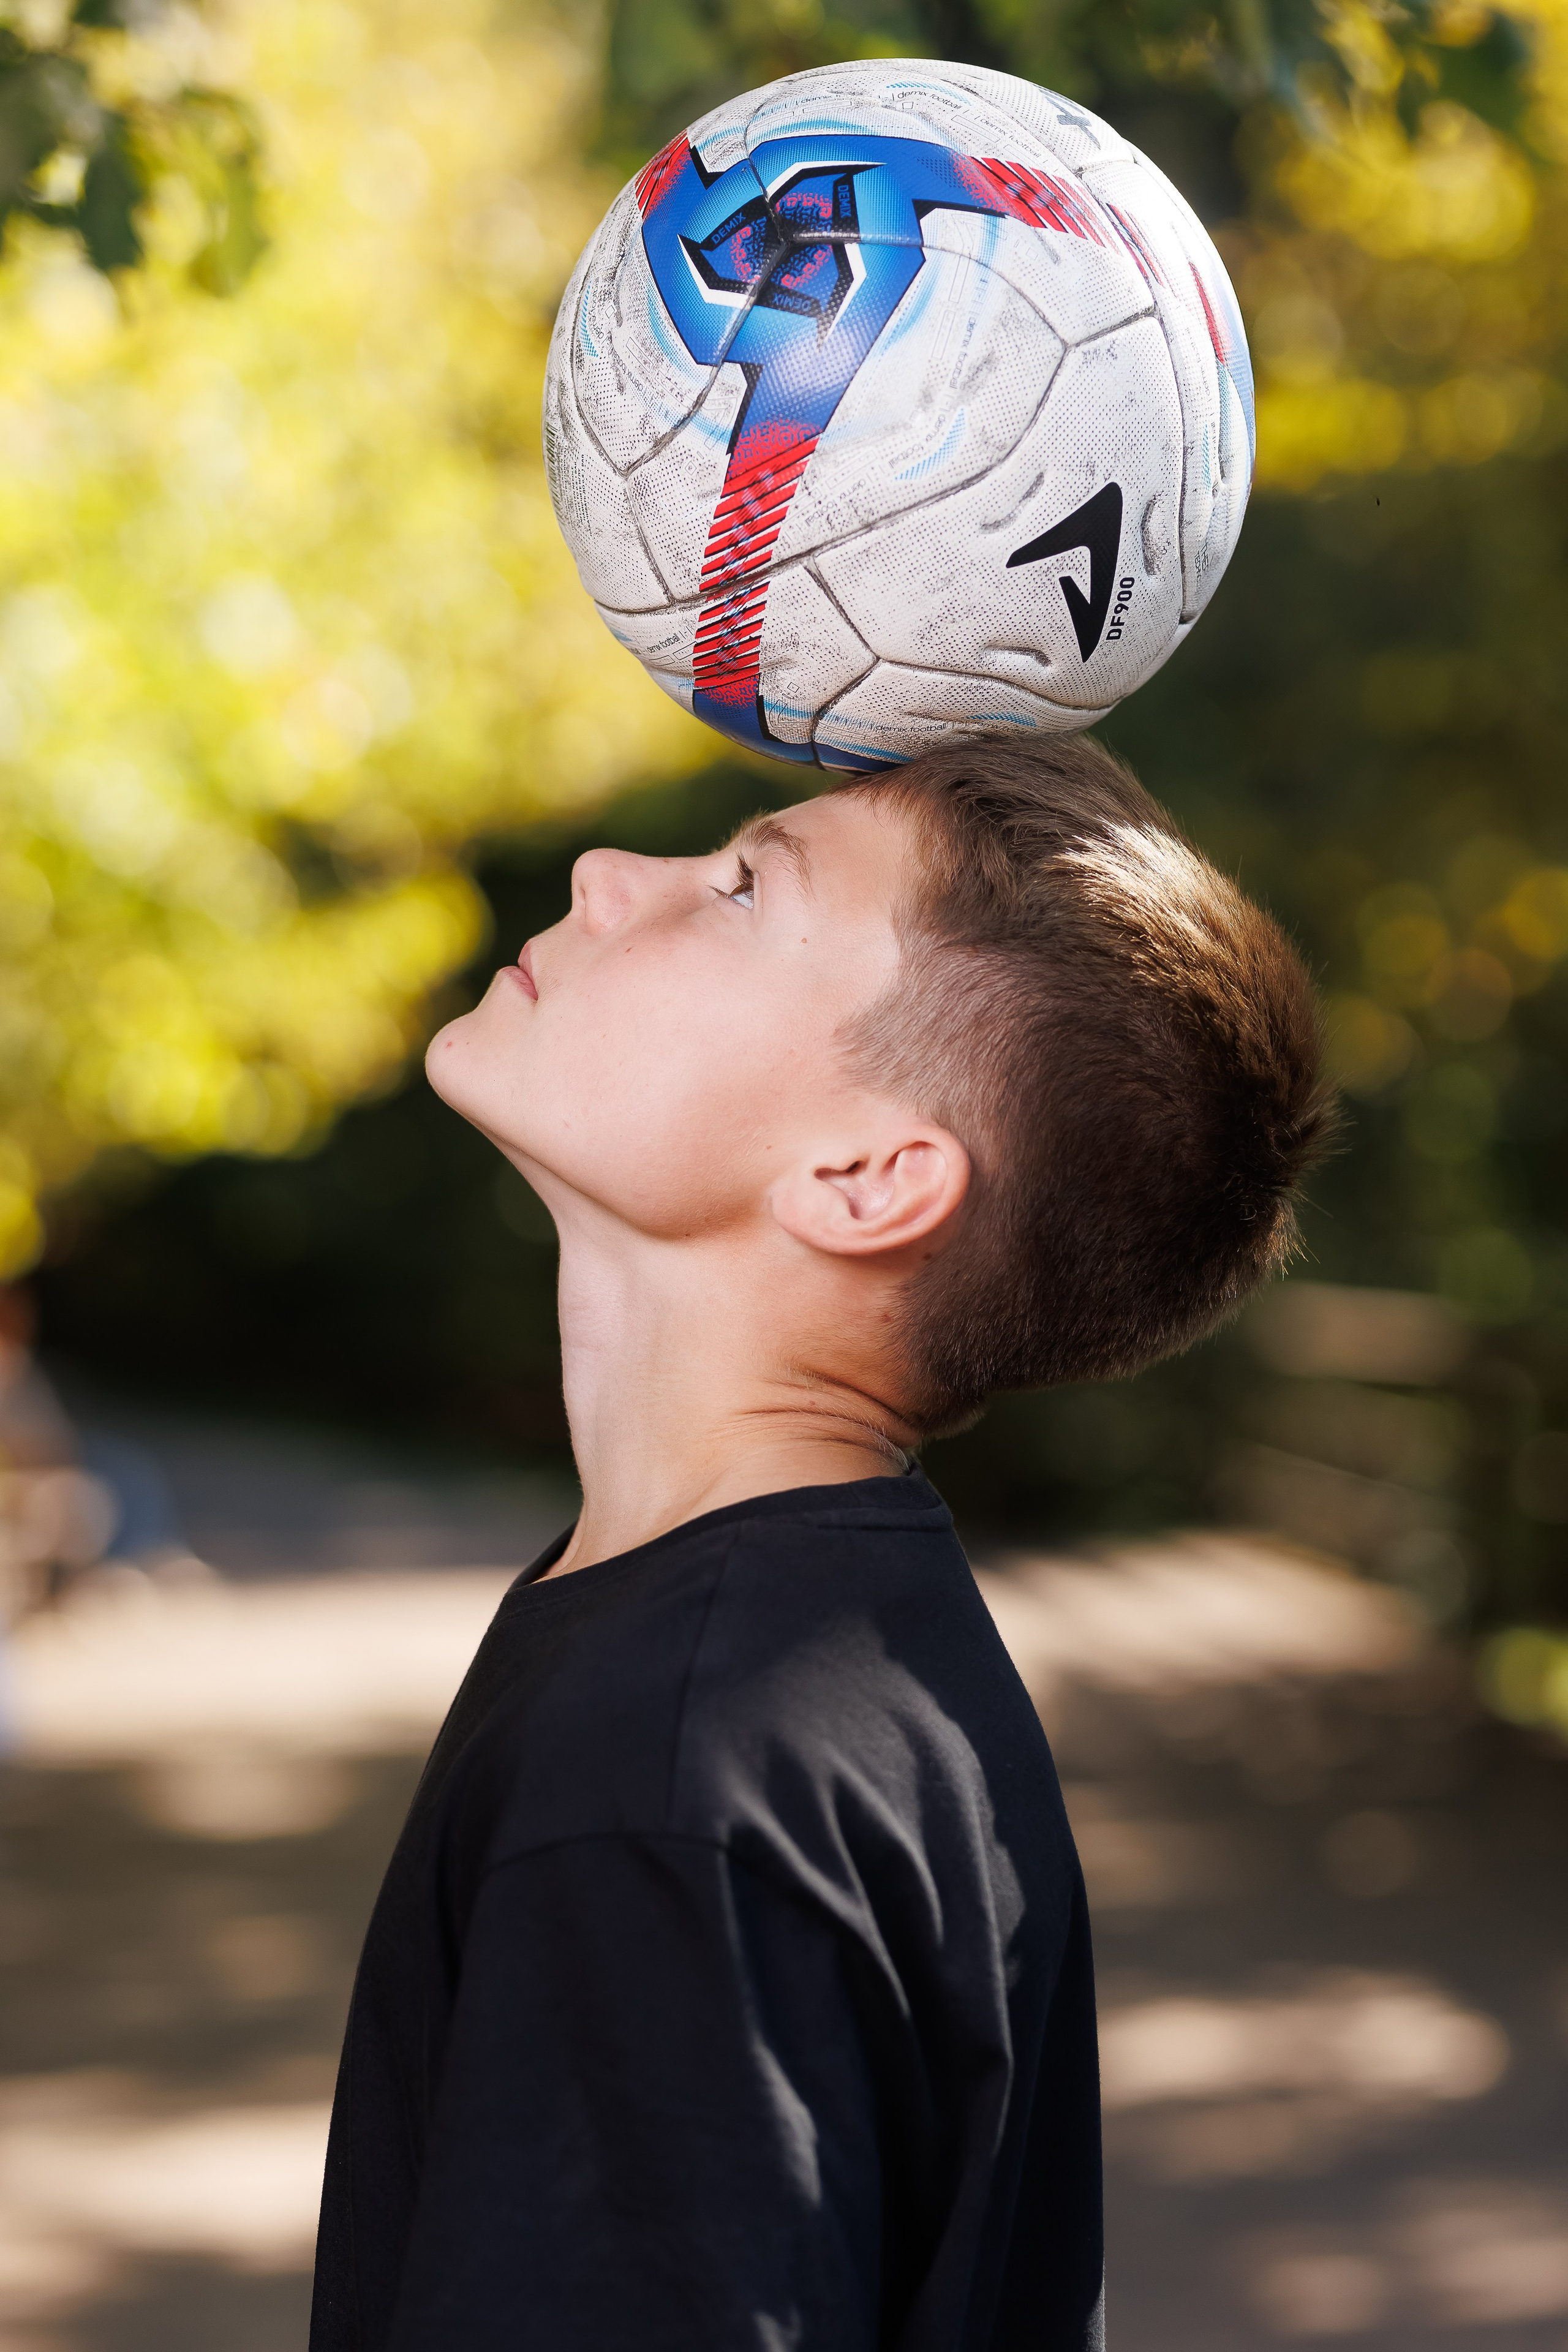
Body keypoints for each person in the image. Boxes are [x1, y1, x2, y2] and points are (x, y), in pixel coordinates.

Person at [309, 733, 1330, 2351]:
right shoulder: (820, 1668)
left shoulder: (682, 1774)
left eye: (736, 885)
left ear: (863, 1177)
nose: (608, 875)